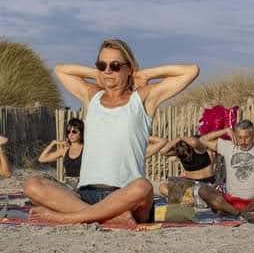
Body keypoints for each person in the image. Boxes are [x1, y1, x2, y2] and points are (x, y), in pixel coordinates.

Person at [23, 38, 199, 227]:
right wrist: (98, 74)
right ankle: (108, 217)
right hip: (85, 194)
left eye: (115, 65)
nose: (107, 70)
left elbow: (191, 71)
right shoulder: (92, 96)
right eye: (102, 65)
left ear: (129, 68)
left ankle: (68, 218)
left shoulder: (142, 99)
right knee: (33, 184)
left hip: (126, 196)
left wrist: (144, 74)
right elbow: (60, 70)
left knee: (143, 186)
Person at [38, 118, 85, 187]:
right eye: (68, 132)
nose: (71, 134)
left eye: (74, 131)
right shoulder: (65, 150)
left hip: (82, 185)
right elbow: (41, 159)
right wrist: (53, 142)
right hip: (68, 185)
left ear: (81, 132)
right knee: (44, 178)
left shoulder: (87, 149)